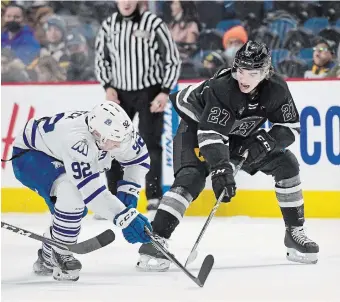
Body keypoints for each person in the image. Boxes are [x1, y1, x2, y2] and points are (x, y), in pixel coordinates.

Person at [136, 41, 319, 272]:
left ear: (265, 72)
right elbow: (211, 135)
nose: (244, 78)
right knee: (191, 178)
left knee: (287, 165)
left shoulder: (276, 90)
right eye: (240, 70)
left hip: (240, 134)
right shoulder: (224, 87)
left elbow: (291, 127)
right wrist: (222, 169)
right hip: (196, 126)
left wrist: (264, 142)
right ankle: (156, 238)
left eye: (252, 73)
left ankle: (295, 233)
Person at [10, 102, 152, 281]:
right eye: (116, 142)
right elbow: (93, 194)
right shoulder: (78, 142)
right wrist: (125, 218)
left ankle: (47, 255)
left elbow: (138, 159)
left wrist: (129, 193)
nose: (121, 146)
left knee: (71, 208)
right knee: (72, 195)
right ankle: (61, 253)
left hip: (56, 149)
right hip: (31, 155)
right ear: (98, 135)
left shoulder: (117, 130)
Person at [95, 0, 181, 216]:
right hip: (119, 94)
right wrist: (108, 86)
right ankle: (113, 198)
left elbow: (171, 59)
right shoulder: (109, 25)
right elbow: (101, 59)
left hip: (149, 92)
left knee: (150, 144)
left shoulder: (153, 23)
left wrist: (164, 91)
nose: (126, 2)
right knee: (111, 143)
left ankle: (153, 197)